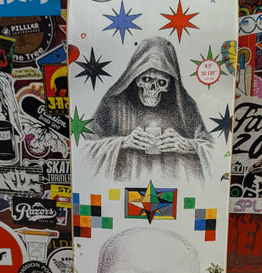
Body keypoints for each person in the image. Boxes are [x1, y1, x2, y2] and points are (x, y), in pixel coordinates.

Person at [84, 36, 212, 182]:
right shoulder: (113, 104)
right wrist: (124, 142)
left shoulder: (184, 106)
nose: (152, 89)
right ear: (135, 77)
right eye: (146, 79)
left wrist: (187, 145)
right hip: (125, 183)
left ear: (170, 84)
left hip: (172, 183)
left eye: (161, 82)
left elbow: (214, 150)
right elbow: (84, 148)